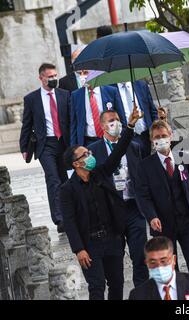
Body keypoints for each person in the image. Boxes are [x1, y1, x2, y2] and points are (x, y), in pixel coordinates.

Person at [60, 105, 142, 300]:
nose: (90, 156)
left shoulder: (100, 175)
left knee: (117, 284)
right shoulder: (67, 190)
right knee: (96, 287)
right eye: (85, 155)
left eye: (89, 153)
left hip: (112, 239)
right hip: (89, 245)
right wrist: (79, 249)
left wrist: (130, 126)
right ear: (76, 164)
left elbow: (118, 152)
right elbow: (69, 222)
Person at [135, 120, 189, 275]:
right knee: (169, 268)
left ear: (171, 136)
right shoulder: (144, 166)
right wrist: (151, 216)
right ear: (152, 140)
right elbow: (143, 196)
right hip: (163, 225)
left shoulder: (183, 158)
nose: (161, 139)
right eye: (157, 137)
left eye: (163, 135)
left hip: (187, 222)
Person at [89, 110, 148, 288]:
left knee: (140, 254)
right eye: (110, 121)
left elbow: (142, 177)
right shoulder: (93, 150)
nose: (115, 123)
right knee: (115, 260)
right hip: (110, 212)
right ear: (102, 126)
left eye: (117, 119)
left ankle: (142, 292)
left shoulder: (134, 146)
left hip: (132, 207)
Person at [19, 63, 71, 233]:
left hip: (63, 143)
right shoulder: (31, 99)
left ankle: (70, 215)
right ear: (41, 78)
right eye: (50, 76)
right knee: (53, 179)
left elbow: (71, 120)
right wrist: (23, 146)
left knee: (65, 179)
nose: (53, 79)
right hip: (45, 144)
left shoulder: (64, 95)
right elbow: (26, 124)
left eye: (55, 75)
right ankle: (59, 219)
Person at [129, 236, 189, 300]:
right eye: (153, 262)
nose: (159, 267)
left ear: (174, 260)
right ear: (146, 263)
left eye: (163, 261)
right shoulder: (137, 295)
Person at [114, 81, 158, 157]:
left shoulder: (141, 85)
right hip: (127, 138)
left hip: (146, 135)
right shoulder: (110, 89)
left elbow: (152, 110)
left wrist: (155, 131)